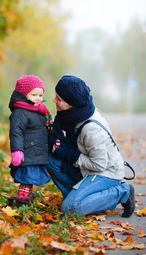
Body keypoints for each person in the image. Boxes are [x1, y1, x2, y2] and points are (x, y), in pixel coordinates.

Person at [47, 75, 135, 218]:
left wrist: (70, 154)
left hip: (106, 173)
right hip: (86, 170)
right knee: (49, 159)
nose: (54, 100)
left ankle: (122, 192)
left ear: (72, 105)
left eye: (59, 99)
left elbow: (99, 165)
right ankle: (81, 198)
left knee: (70, 209)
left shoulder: (91, 129)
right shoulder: (73, 116)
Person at [8, 75, 52, 205]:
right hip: (27, 152)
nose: (38, 98)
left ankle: (28, 196)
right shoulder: (20, 112)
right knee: (27, 176)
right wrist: (17, 150)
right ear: (24, 94)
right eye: (34, 95)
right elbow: (16, 132)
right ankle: (22, 199)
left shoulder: (39, 111)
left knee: (32, 177)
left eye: (40, 95)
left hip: (36, 151)